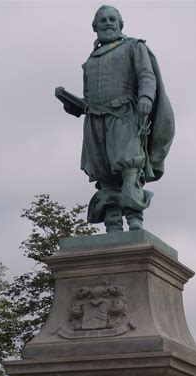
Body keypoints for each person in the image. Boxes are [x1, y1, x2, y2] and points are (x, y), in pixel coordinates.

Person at [58, 5, 174, 233]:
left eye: (112, 19)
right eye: (102, 20)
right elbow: (88, 98)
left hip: (124, 115)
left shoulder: (134, 46)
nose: (108, 22)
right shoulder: (90, 61)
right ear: (95, 27)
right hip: (95, 120)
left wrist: (146, 98)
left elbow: (146, 75)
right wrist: (71, 104)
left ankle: (134, 220)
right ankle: (112, 223)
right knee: (105, 174)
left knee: (129, 166)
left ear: (121, 24)